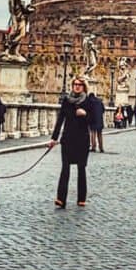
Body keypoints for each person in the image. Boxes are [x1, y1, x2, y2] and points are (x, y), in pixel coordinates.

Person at [48, 75, 92, 207]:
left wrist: (85, 114)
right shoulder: (66, 101)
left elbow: (94, 120)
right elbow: (60, 120)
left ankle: (81, 198)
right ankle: (61, 199)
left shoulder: (88, 102)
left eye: (80, 84)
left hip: (82, 140)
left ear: (84, 87)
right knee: (65, 169)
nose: (77, 86)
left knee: (81, 169)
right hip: (67, 139)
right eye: (75, 84)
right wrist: (54, 139)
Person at [86, 88, 105, 153]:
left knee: (93, 133)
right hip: (100, 120)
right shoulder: (100, 101)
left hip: (93, 120)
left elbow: (88, 110)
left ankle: (93, 147)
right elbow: (103, 110)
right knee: (100, 134)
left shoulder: (89, 101)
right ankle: (101, 148)